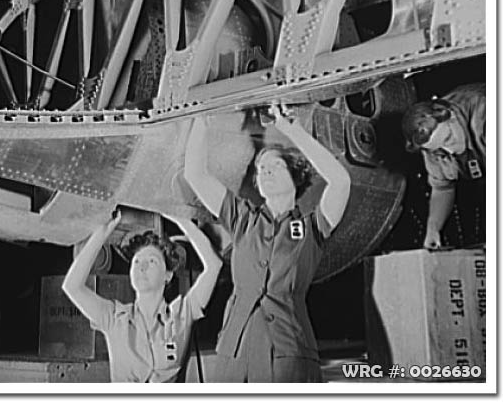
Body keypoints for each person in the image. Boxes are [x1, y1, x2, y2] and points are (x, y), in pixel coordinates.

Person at [184, 105, 351, 382]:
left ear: (296, 177)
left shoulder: (312, 228)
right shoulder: (242, 220)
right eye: (261, 169)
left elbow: (341, 182)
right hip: (234, 348)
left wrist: (290, 129)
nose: (266, 172)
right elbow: (195, 175)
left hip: (290, 349)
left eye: (276, 165)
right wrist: (201, 120)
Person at [62, 210, 221, 383]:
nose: (142, 266)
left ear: (168, 276)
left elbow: (214, 265)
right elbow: (72, 286)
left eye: (152, 261)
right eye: (136, 262)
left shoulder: (182, 315)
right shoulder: (114, 317)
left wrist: (181, 218)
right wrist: (102, 233)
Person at [401, 83, 485, 249]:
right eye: (440, 149)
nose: (450, 150)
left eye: (448, 139)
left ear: (451, 116)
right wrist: (433, 229)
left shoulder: (486, 115)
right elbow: (443, 189)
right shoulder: (433, 146)